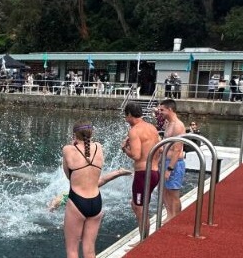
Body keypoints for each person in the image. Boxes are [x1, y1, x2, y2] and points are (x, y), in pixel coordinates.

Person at [55, 121, 104, 258]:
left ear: (74, 135)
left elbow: (68, 175)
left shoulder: (68, 150)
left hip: (77, 202)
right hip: (96, 201)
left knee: (72, 249)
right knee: (89, 249)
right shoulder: (99, 147)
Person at [121, 102, 161, 234]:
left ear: (130, 115)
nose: (126, 120)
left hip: (143, 174)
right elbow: (160, 149)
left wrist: (125, 149)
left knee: (139, 208)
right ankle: (144, 237)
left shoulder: (134, 131)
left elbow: (136, 155)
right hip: (154, 172)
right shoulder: (151, 128)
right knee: (137, 205)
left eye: (125, 116)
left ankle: (143, 240)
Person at [48, 168, 132, 211]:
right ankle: (119, 172)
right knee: (102, 181)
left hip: (78, 193)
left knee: (102, 181)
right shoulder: (65, 197)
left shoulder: (67, 198)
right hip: (79, 192)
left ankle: (119, 172)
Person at [158, 98, 186, 221]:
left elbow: (177, 150)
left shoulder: (178, 126)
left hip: (174, 163)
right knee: (163, 191)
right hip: (165, 161)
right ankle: (170, 214)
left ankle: (176, 218)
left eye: (162, 110)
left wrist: (170, 168)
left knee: (173, 193)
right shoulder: (168, 123)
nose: (160, 112)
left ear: (170, 109)